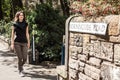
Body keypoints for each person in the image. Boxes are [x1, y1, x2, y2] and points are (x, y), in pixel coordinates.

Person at [11, 11, 30, 76]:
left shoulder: (26, 24)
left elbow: (27, 34)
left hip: (24, 42)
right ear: (18, 16)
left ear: (24, 16)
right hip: (17, 43)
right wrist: (12, 43)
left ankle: (20, 66)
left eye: (22, 15)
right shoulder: (14, 24)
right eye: (20, 15)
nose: (21, 16)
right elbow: (12, 35)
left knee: (24, 58)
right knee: (20, 57)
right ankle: (20, 71)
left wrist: (28, 42)